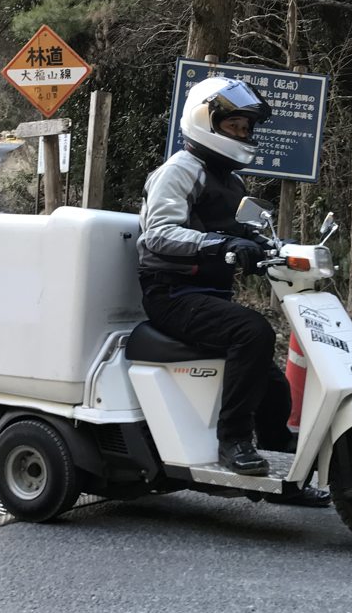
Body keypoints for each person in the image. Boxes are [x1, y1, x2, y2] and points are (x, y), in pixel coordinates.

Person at [136, 75, 330, 507]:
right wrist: (221, 244)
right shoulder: (179, 170)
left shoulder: (229, 180)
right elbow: (158, 235)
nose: (243, 135)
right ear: (206, 122)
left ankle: (284, 468)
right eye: (234, 127)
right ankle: (234, 442)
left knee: (274, 386)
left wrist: (268, 248)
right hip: (171, 294)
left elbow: (243, 229)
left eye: (246, 128)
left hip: (206, 295)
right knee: (253, 332)